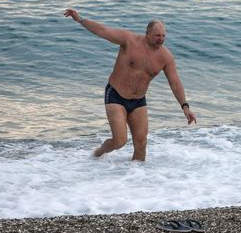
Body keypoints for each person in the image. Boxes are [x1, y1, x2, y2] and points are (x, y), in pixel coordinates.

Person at [64, 9, 197, 161]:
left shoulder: (166, 57)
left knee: (141, 144)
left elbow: (175, 82)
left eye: (163, 36)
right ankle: (98, 154)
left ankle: (136, 179)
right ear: (147, 33)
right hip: (116, 95)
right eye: (157, 36)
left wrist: (185, 107)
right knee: (120, 141)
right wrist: (80, 19)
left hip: (138, 101)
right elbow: (102, 30)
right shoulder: (129, 40)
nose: (161, 39)